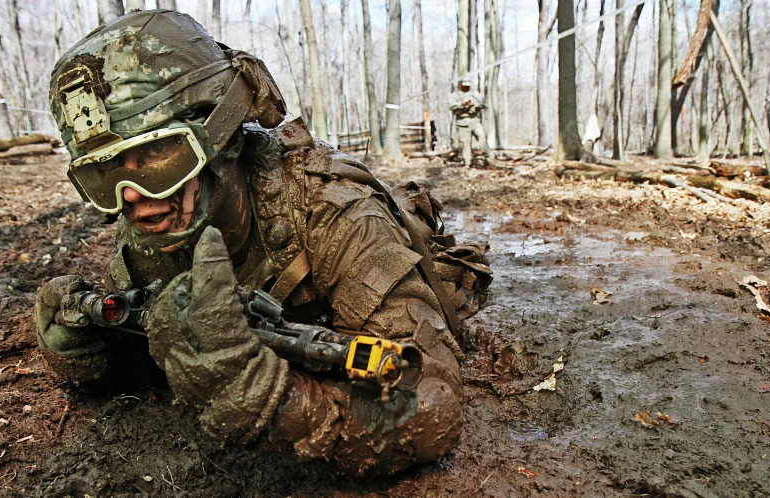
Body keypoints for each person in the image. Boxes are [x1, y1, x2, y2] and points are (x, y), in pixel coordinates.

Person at [36, 10, 491, 476]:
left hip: (363, 244)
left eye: (156, 154)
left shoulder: (331, 213)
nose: (132, 197)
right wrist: (79, 353)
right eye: (104, 171)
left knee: (422, 236)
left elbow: (431, 407)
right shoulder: (155, 222)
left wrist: (274, 402)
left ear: (223, 138)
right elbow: (140, 363)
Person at [449, 79, 493, 167]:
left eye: (468, 86)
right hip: (462, 122)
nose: (466, 87)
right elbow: (451, 106)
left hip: (474, 121)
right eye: (464, 85)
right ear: (460, 85)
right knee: (465, 144)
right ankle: (467, 163)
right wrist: (461, 104)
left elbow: (483, 104)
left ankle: (489, 159)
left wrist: (474, 104)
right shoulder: (455, 95)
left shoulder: (474, 94)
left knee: (482, 137)